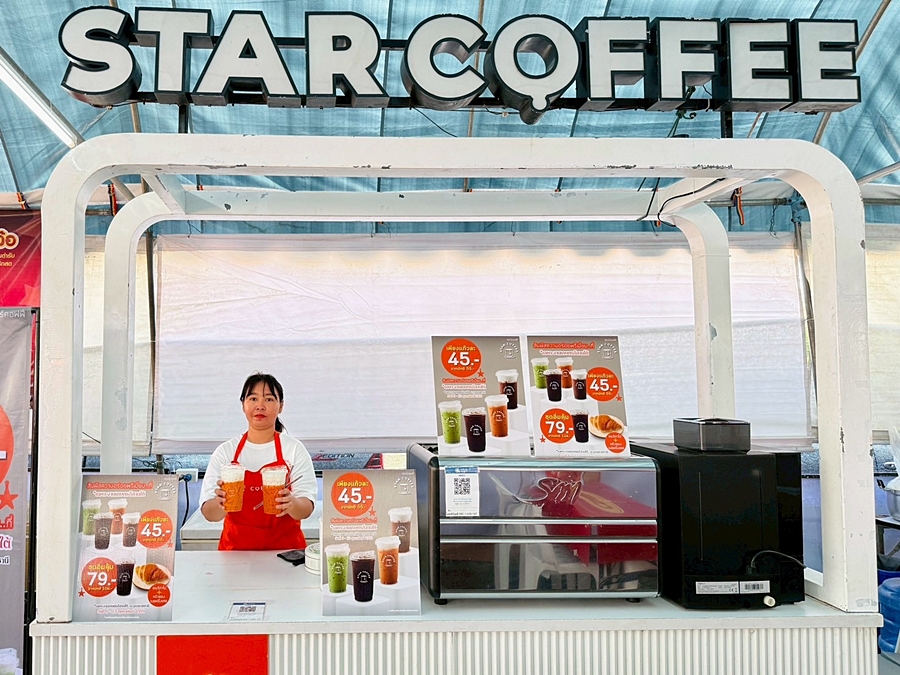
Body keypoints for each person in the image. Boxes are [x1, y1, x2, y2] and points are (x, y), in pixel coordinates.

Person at [200, 373, 317, 550]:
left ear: (281, 406)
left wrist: (292, 503)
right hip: (235, 553)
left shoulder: (294, 449)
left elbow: (306, 508)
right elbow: (209, 514)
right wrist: (220, 503)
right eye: (253, 398)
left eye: (269, 399)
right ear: (243, 405)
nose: (260, 406)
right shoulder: (226, 452)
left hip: (286, 553)